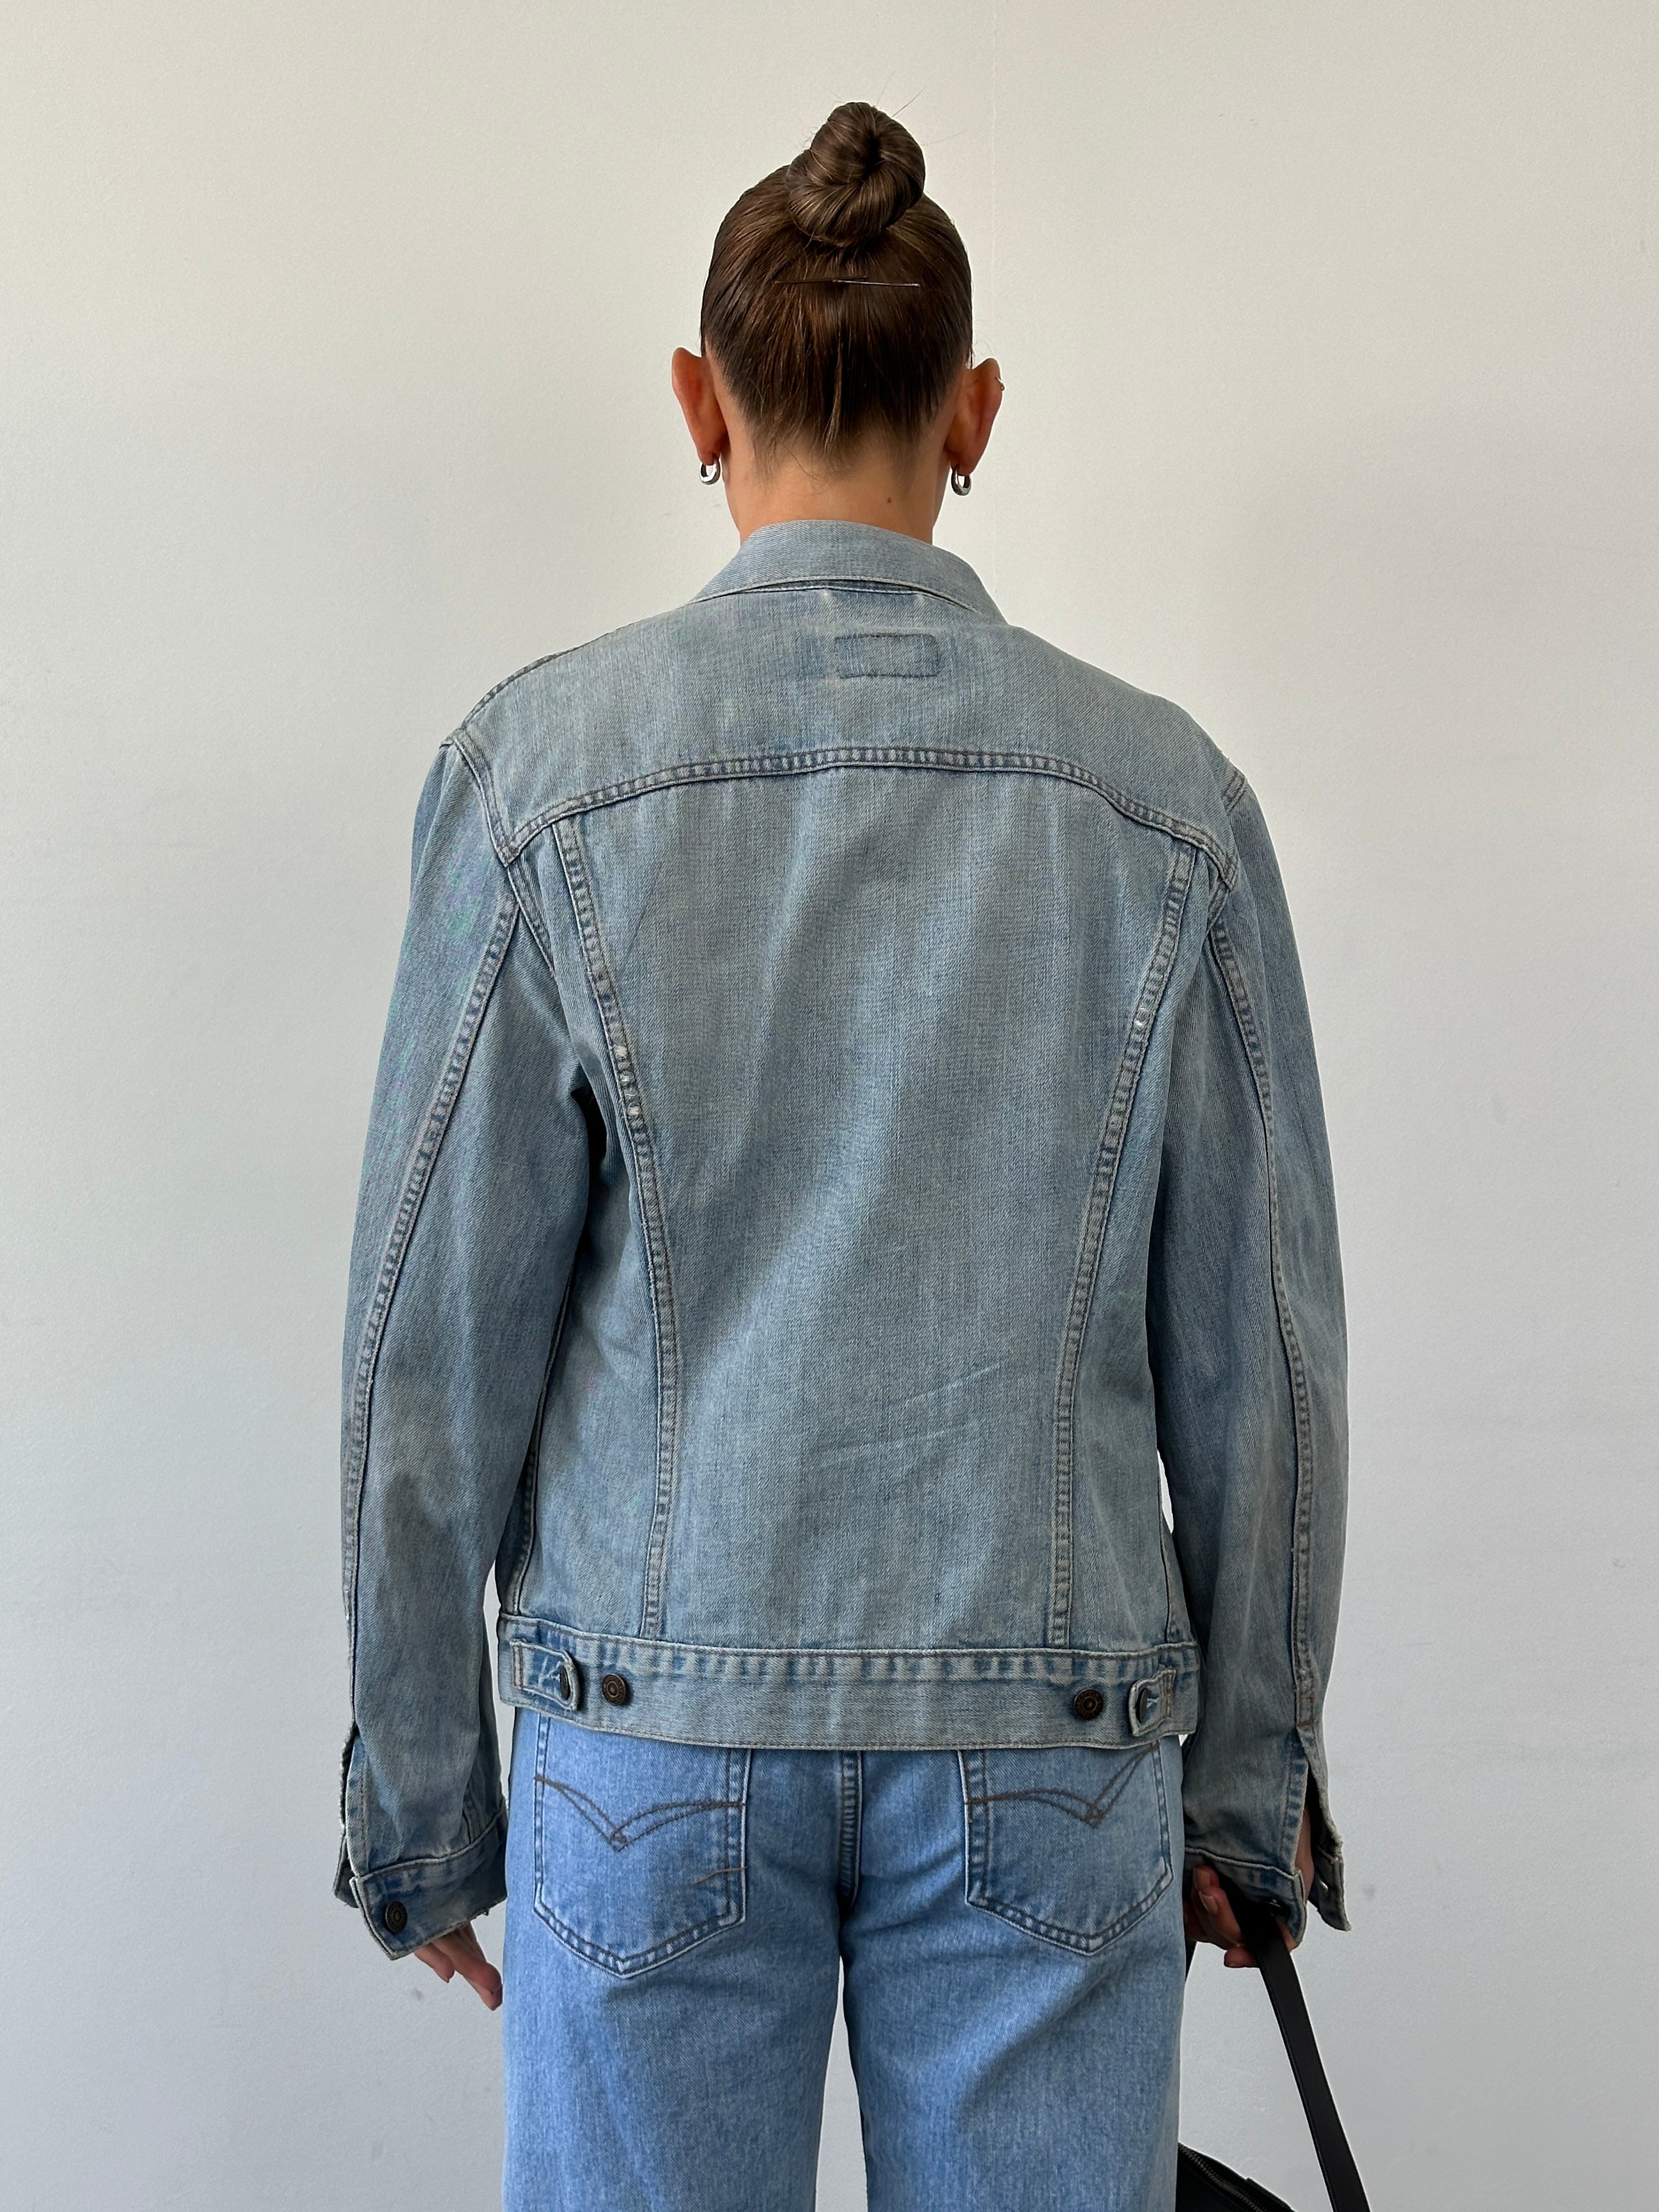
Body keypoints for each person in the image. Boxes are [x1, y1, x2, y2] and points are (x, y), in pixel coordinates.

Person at [334, 100, 1349, 2212]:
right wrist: (1244, 1787)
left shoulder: (540, 781)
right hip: (1055, 1741)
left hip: (648, 1739)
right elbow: (1260, 1356)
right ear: (971, 415)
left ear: (697, 405)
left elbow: (430, 1345)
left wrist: (423, 1799)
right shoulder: (1164, 802)